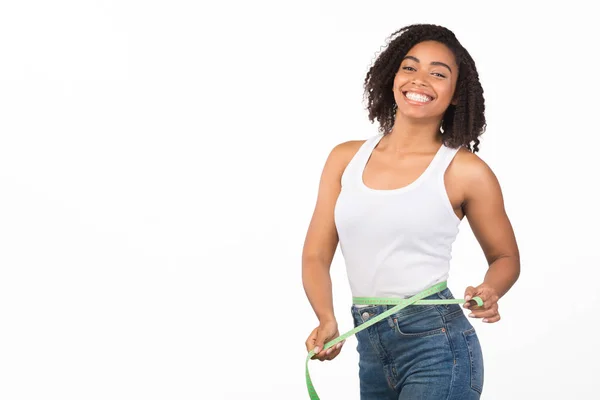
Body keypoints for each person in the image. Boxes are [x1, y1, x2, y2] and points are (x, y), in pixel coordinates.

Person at [302, 24, 520, 399]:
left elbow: (505, 257)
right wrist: (326, 317)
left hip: (438, 348)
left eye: (438, 73)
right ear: (392, 76)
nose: (420, 80)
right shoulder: (344, 158)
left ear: (455, 95)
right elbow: (316, 254)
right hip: (370, 347)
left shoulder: (466, 171)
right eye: (410, 67)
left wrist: (491, 288)